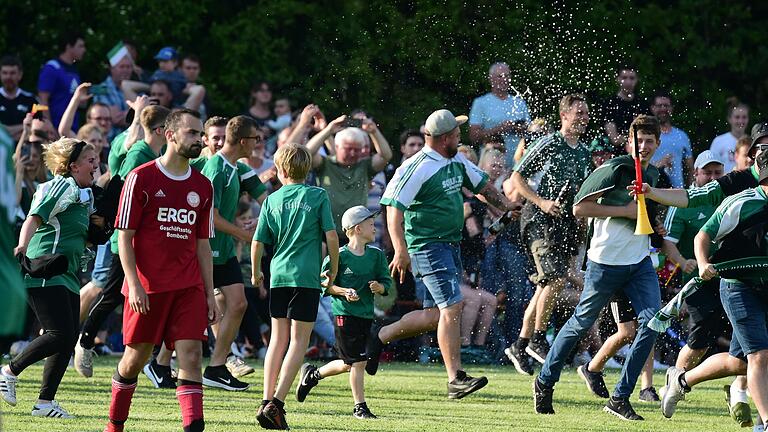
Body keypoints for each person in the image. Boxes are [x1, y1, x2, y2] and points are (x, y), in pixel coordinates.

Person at [369, 109, 521, 398]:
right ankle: (456, 378)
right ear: (444, 138)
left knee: (433, 316)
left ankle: (380, 336)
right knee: (453, 307)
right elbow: (393, 207)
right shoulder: (418, 167)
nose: (460, 137)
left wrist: (504, 206)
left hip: (450, 245)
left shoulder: (456, 160)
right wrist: (400, 250)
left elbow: (483, 186)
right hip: (427, 245)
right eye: (456, 134)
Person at [534, 115, 663, 421]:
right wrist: (626, 212)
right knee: (580, 324)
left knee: (652, 323)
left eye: (649, 141)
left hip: (639, 263)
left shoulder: (655, 174)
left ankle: (621, 397)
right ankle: (544, 381)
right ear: (629, 141)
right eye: (638, 140)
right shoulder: (616, 167)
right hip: (605, 263)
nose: (643, 146)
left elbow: (644, 213)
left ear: (658, 144)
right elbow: (580, 207)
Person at [104, 108, 218, 432]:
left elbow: (203, 246)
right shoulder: (141, 177)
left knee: (192, 356)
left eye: (201, 134)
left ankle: (193, 427)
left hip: (189, 287)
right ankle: (114, 426)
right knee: (134, 360)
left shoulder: (203, 186)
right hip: (148, 288)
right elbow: (123, 238)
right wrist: (134, 284)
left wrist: (210, 294)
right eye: (193, 133)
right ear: (170, 135)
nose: (200, 140)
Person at [0, 137, 99, 419]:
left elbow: (80, 236)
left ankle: (44, 404)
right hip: (43, 269)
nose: (96, 165)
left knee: (66, 339)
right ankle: (8, 371)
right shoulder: (61, 185)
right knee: (59, 334)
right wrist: (21, 247)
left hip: (66, 273)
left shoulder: (83, 194)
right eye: (90, 161)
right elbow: (34, 217)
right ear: (72, 166)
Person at [73, 105, 170, 380]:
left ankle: (154, 360)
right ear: (162, 130)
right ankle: (85, 341)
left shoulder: (156, 154)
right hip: (124, 239)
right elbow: (120, 189)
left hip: (144, 239)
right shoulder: (139, 153)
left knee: (150, 295)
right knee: (113, 295)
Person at [251, 142, 339, 430]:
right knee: (299, 342)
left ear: (281, 170)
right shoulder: (317, 195)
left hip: (279, 276)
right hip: (306, 278)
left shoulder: (272, 200)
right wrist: (333, 271)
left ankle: (265, 400)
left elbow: (257, 242)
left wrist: (255, 274)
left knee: (278, 340)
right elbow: (331, 237)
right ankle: (277, 403)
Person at [505, 94, 592, 368]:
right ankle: (538, 339)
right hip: (538, 219)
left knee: (546, 284)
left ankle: (519, 345)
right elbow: (516, 177)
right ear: (564, 115)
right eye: (579, 112)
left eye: (586, 113)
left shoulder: (584, 152)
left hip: (564, 223)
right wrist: (542, 202)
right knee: (553, 280)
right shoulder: (549, 142)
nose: (584, 117)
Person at [689, 163, 768, 430]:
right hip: (738, 287)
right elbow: (704, 235)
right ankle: (765, 424)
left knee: (739, 363)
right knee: (759, 357)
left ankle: (682, 381)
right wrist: (702, 263)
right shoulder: (740, 203)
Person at [295, 205, 392, 419]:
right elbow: (325, 285)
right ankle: (360, 407)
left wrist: (380, 288)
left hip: (366, 316)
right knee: (358, 362)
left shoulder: (376, 255)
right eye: (370, 223)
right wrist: (344, 291)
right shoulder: (338, 256)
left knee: (350, 363)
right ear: (357, 229)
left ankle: (313, 375)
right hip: (344, 315)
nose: (374, 227)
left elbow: (387, 284)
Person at [201, 115, 267, 391]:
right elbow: (211, 218)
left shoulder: (235, 167)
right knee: (197, 312)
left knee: (238, 304)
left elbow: (264, 197)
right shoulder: (216, 168)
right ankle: (160, 361)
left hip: (224, 250)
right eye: (256, 139)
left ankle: (217, 368)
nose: (258, 143)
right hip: (205, 250)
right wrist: (245, 234)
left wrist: (247, 225)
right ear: (243, 141)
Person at [662, 150, 727, 370]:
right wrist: (682, 260)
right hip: (696, 280)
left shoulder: (729, 199)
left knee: (747, 335)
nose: (713, 178)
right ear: (695, 173)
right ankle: (677, 379)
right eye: (707, 173)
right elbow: (667, 242)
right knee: (702, 336)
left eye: (718, 173)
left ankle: (739, 390)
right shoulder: (683, 202)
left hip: (728, 278)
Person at [305, 108, 393, 240]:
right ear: (337, 146)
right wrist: (328, 130)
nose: (353, 153)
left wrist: (374, 131)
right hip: (327, 232)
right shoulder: (325, 164)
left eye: (357, 150)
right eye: (348, 149)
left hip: (356, 233)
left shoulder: (364, 166)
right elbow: (307, 153)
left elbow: (386, 155)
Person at [469, 62, 531, 167]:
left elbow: (530, 132)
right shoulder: (481, 103)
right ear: (491, 79)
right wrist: (499, 129)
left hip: (518, 163)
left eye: (507, 76)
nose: (504, 79)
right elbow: (474, 137)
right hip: (491, 165)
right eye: (500, 76)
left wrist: (518, 128)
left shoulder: (519, 102)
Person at [37, 33, 86, 128]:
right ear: (69, 47)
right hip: (55, 127)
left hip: (72, 128)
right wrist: (49, 127)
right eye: (80, 46)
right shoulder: (52, 68)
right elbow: (42, 100)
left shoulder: (74, 70)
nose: (84, 50)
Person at [649, 91, 693, 188]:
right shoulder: (647, 135)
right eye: (659, 105)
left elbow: (690, 169)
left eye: (666, 106)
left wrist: (689, 191)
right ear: (652, 108)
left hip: (677, 194)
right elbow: (637, 166)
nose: (663, 109)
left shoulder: (682, 136)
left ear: (671, 108)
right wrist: (659, 164)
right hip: (651, 192)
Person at [93, 42, 134, 139]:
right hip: (107, 142)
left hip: (130, 142)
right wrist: (132, 114)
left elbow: (142, 117)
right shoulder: (101, 89)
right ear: (112, 68)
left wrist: (126, 115)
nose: (126, 70)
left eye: (128, 67)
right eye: (122, 67)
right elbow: (116, 119)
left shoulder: (137, 89)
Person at [602, 66, 645, 150]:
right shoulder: (609, 104)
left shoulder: (642, 104)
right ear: (618, 79)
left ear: (636, 80)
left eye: (632, 78)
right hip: (615, 155)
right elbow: (614, 139)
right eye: (624, 78)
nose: (628, 82)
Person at [0, 55, 38, 140]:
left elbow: (39, 127)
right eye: (5, 73)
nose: (8, 77)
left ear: (20, 75)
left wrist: (3, 131)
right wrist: (24, 127)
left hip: (25, 150)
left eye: (12, 73)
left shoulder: (31, 100)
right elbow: (30, 127)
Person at [710, 98, 750, 173]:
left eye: (744, 117)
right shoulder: (719, 141)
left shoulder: (751, 142)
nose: (741, 121)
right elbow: (711, 167)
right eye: (737, 117)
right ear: (729, 119)